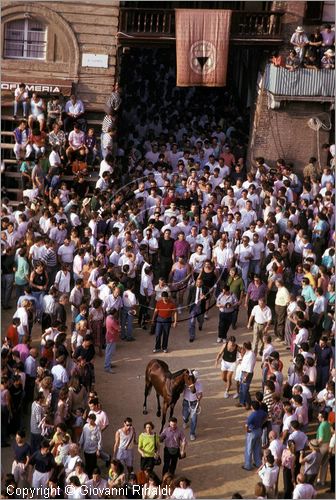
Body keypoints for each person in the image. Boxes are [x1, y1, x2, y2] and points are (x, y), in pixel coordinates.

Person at [242, 401, 267, 471]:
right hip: (259, 430)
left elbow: (246, 425)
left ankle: (248, 465)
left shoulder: (252, 415)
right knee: (257, 447)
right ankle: (258, 463)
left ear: (252, 407)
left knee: (249, 448)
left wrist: (247, 430)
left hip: (252, 432)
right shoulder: (261, 412)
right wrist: (262, 423)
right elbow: (266, 416)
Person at [182, 370, 202, 441]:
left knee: (194, 419)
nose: (194, 379)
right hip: (186, 402)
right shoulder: (186, 383)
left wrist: (199, 398)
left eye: (195, 378)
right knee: (185, 416)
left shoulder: (199, 384)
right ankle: (185, 421)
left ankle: (192, 433)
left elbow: (200, 394)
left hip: (194, 403)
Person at [187, 277, 207, 342]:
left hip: (201, 307)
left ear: (202, 283)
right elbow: (189, 297)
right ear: (196, 282)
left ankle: (200, 325)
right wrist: (187, 305)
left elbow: (208, 296)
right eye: (197, 282)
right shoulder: (192, 288)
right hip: (193, 307)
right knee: (192, 322)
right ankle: (192, 336)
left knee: (200, 320)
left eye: (200, 282)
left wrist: (205, 297)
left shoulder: (205, 289)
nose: (198, 283)